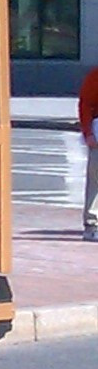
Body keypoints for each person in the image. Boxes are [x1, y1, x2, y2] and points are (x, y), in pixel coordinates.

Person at [80, 64, 98, 241]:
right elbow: (86, 105)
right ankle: (92, 224)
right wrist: (88, 133)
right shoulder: (96, 76)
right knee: (96, 178)